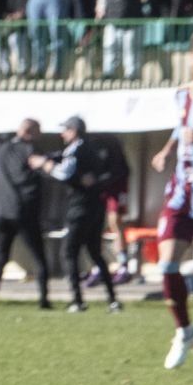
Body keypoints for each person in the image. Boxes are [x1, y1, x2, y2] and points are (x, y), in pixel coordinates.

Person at [30, 117, 122, 313]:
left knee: (69, 252)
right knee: (95, 253)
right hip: (96, 207)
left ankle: (77, 300)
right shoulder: (92, 148)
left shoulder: (76, 149)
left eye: (65, 130)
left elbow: (65, 173)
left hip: (80, 207)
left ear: (73, 131)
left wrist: (46, 166)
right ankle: (113, 300)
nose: (62, 134)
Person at [0, 118, 53, 309]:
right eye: (38, 131)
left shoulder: (1, 148)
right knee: (39, 257)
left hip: (1, 212)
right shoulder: (31, 150)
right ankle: (44, 298)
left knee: (1, 257)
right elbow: (45, 171)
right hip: (24, 213)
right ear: (30, 131)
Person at [147, 88, 193, 367]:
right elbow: (181, 129)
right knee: (167, 266)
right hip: (181, 194)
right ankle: (184, 331)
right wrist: (166, 151)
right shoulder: (183, 94)